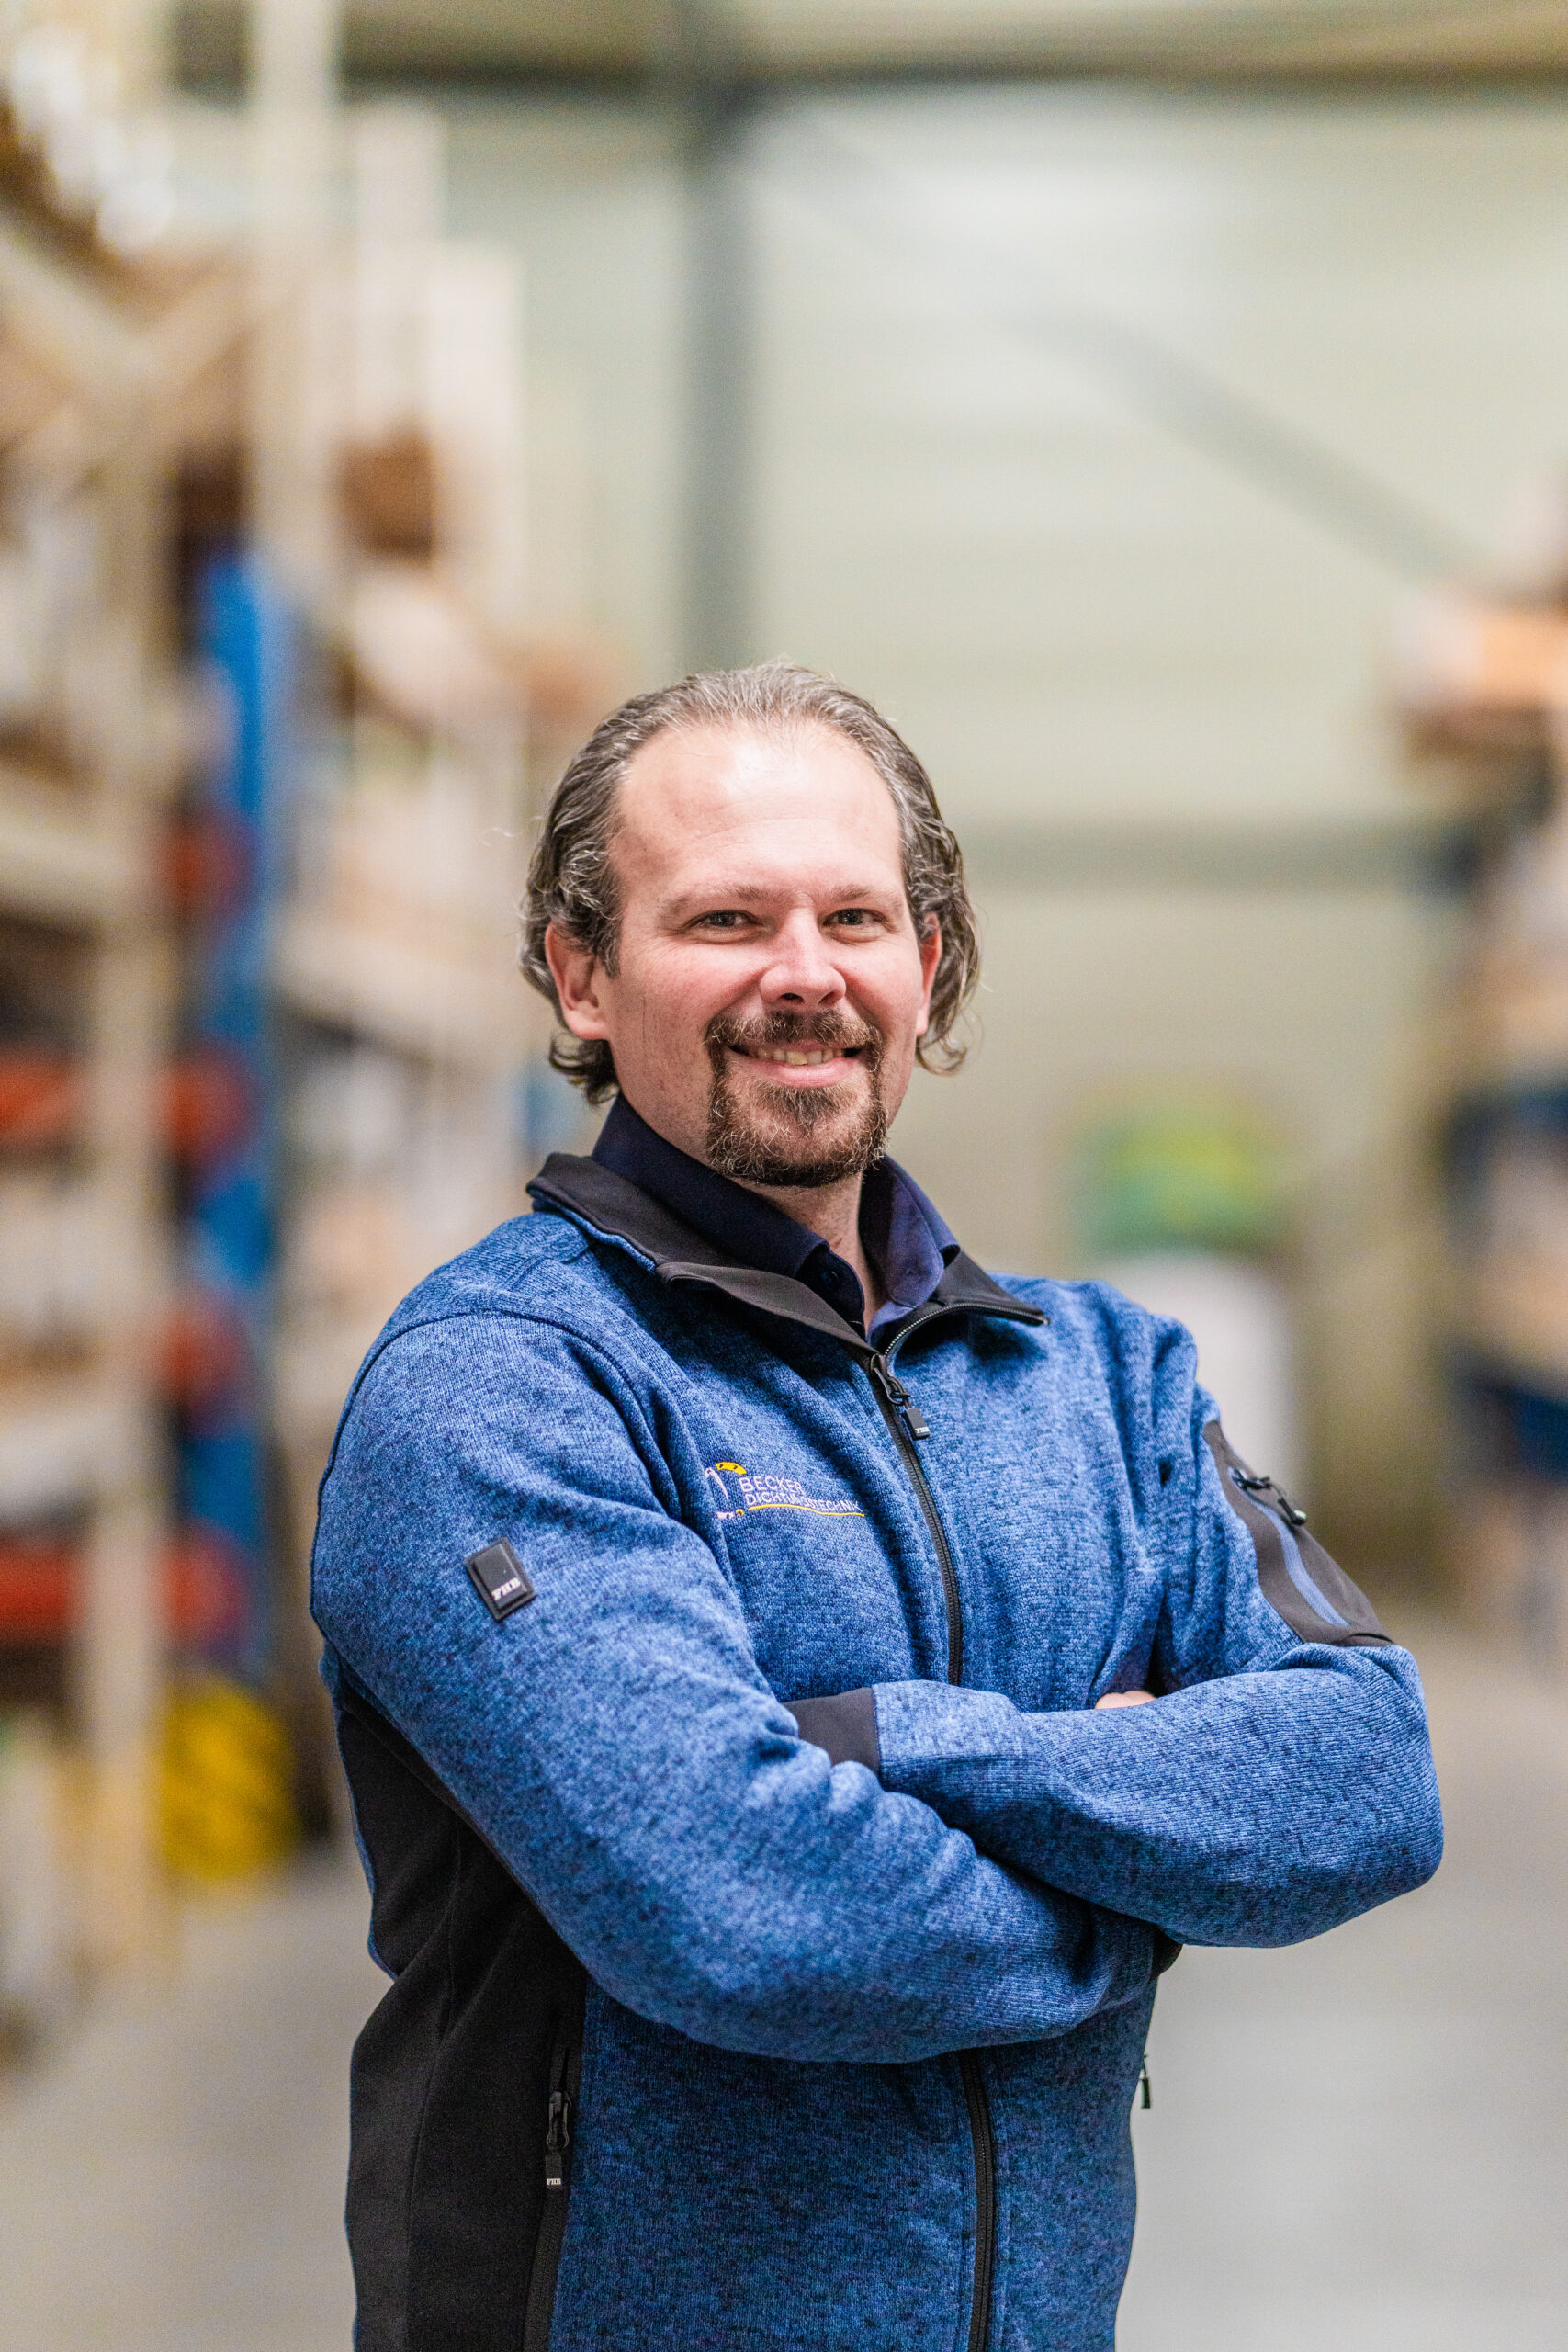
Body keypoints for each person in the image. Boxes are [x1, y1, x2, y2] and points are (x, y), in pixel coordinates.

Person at [311, 661, 1442, 2352]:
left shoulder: (1101, 1377)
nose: (803, 976)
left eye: (857, 914)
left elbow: (1365, 1775)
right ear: (581, 974)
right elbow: (741, 1915)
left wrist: (898, 1745)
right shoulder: (505, 1386)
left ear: (930, 963)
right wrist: (1144, 1878)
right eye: (722, 920)